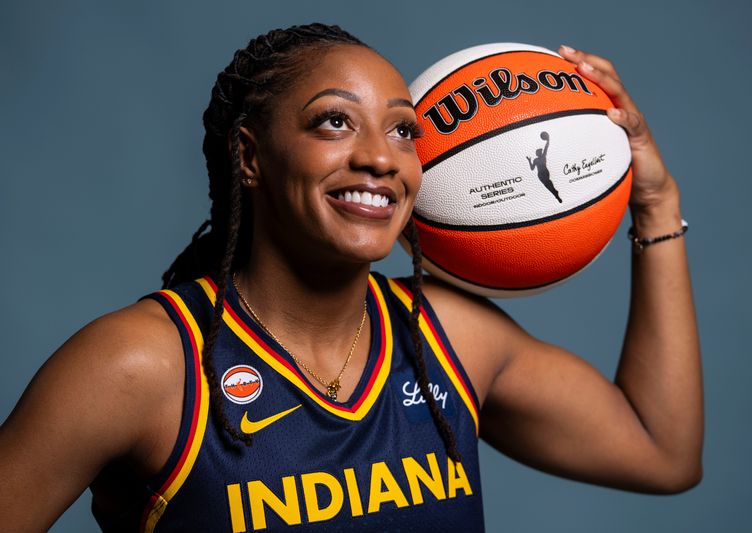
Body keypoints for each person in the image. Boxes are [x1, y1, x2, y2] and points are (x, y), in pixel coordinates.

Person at [0, 23, 702, 532]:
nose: (380, 158)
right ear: (249, 156)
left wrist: (656, 202)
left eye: (403, 131)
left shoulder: (449, 335)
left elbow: (661, 450)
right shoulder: (141, 365)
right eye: (335, 122)